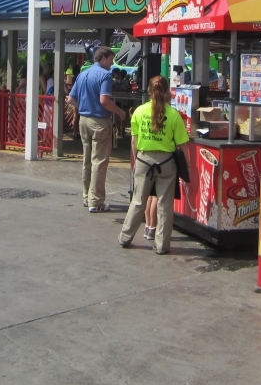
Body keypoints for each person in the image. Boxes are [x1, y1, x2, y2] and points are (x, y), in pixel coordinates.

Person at [119, 75, 190, 254]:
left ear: (149, 91)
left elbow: (134, 142)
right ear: (167, 92)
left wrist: (137, 161)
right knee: (165, 205)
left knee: (138, 201)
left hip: (143, 160)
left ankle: (125, 236)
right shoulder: (174, 116)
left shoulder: (139, 112)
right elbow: (183, 145)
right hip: (166, 163)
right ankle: (162, 245)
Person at [68, 46, 127, 213]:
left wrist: (83, 108)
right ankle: (96, 201)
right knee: (99, 162)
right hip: (100, 121)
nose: (112, 63)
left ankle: (87, 196)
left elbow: (71, 99)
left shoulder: (82, 74)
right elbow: (104, 101)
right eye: (110, 59)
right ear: (103, 58)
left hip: (84, 120)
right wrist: (120, 112)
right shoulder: (105, 75)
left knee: (87, 160)